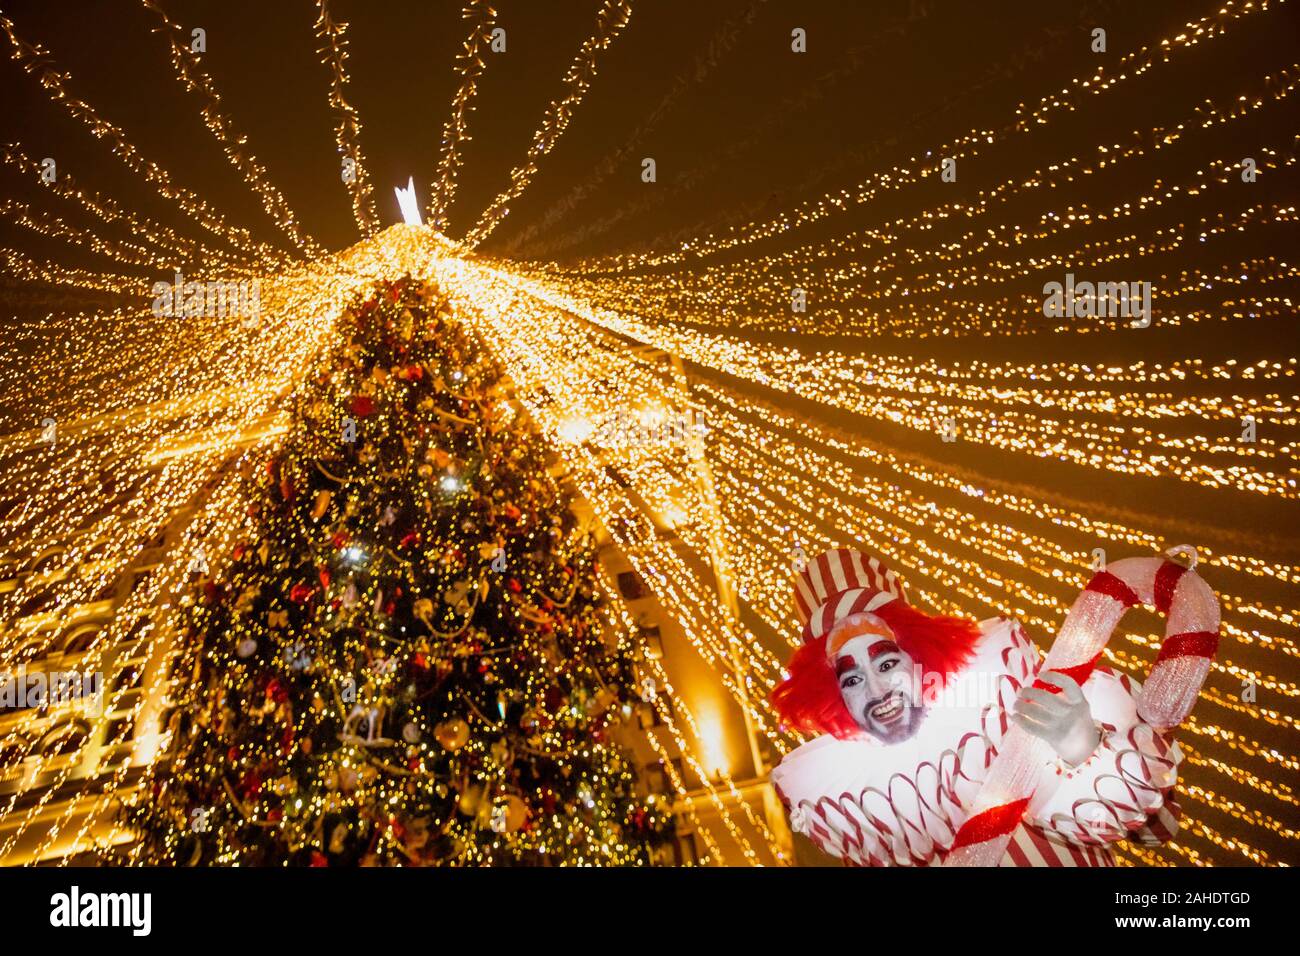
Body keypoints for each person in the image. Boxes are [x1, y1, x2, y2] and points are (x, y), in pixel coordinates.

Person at [770, 548, 1181, 866]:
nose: (877, 691)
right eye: (852, 679)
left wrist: (1082, 746)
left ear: (919, 657)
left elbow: (1158, 828)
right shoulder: (860, 802)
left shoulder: (1005, 702)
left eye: (887, 662)